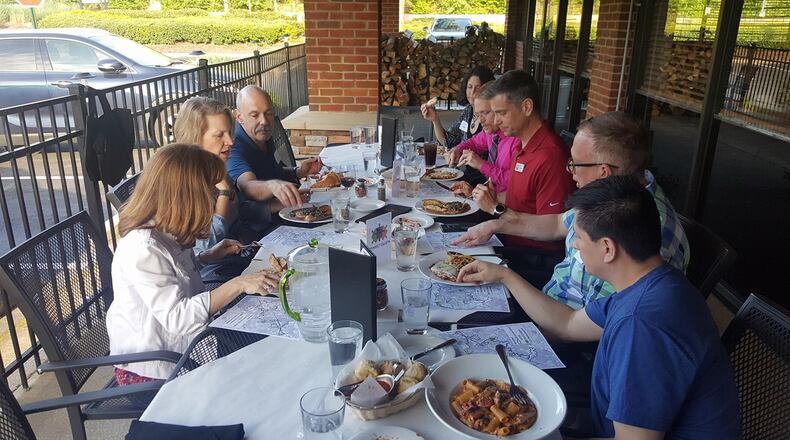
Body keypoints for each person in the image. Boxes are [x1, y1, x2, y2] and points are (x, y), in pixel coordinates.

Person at [458, 176, 741, 440]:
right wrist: (505, 276)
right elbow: (567, 324)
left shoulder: (643, 323)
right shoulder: (651, 283)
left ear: (608, 248)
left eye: (578, 237)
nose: (575, 246)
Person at [453, 111, 689, 309]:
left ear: (603, 172)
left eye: (574, 163)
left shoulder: (639, 229)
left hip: (566, 334)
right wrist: (496, 224)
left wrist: (506, 278)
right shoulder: (613, 194)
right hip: (547, 301)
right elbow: (558, 224)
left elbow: (576, 326)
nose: (569, 171)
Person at [107, 144, 280, 385]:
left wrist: (206, 256)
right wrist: (238, 284)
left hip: (187, 346)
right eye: (210, 190)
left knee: (265, 339)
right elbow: (178, 318)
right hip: (156, 370)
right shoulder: (144, 248)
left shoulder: (166, 229)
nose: (213, 198)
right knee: (260, 368)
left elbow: (173, 274)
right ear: (187, 196)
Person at [468, 70, 575, 253]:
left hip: (532, 255)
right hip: (506, 239)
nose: (496, 120)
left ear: (526, 107)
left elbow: (552, 229)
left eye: (501, 113)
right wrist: (479, 195)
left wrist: (495, 209)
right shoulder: (521, 145)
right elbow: (523, 200)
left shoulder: (550, 156)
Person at [226, 85, 322, 240]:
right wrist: (273, 186)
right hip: (261, 233)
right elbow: (248, 186)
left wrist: (298, 172)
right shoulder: (234, 148)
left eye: (269, 113)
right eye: (254, 115)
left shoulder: (261, 134)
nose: (264, 121)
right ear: (239, 117)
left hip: (286, 215)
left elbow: (270, 172)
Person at [173, 96, 246, 281]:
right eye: (219, 135)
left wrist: (276, 206)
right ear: (195, 139)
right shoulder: (181, 183)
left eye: (229, 132)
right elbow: (205, 246)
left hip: (238, 258)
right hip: (207, 276)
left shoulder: (215, 168)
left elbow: (239, 211)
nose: (230, 141)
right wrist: (223, 194)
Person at [443, 81, 518, 195]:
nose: (481, 120)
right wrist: (457, 149)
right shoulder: (491, 132)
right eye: (478, 114)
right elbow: (474, 142)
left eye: (486, 113)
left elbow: (516, 182)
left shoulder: (516, 138)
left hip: (507, 207)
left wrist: (482, 165)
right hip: (488, 196)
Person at [421, 66, 495, 148]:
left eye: (478, 88)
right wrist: (435, 119)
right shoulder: (468, 111)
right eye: (470, 87)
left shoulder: (492, 117)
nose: (472, 92)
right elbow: (449, 142)